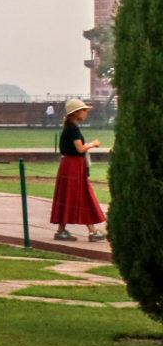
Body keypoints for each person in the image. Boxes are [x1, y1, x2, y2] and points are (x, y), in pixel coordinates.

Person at [51, 99, 107, 242]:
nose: (85, 113)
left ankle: (62, 230)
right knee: (81, 195)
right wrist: (92, 144)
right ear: (75, 113)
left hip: (70, 165)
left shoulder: (70, 127)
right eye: (83, 110)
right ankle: (92, 232)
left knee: (69, 195)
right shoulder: (73, 129)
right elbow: (80, 148)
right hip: (73, 165)